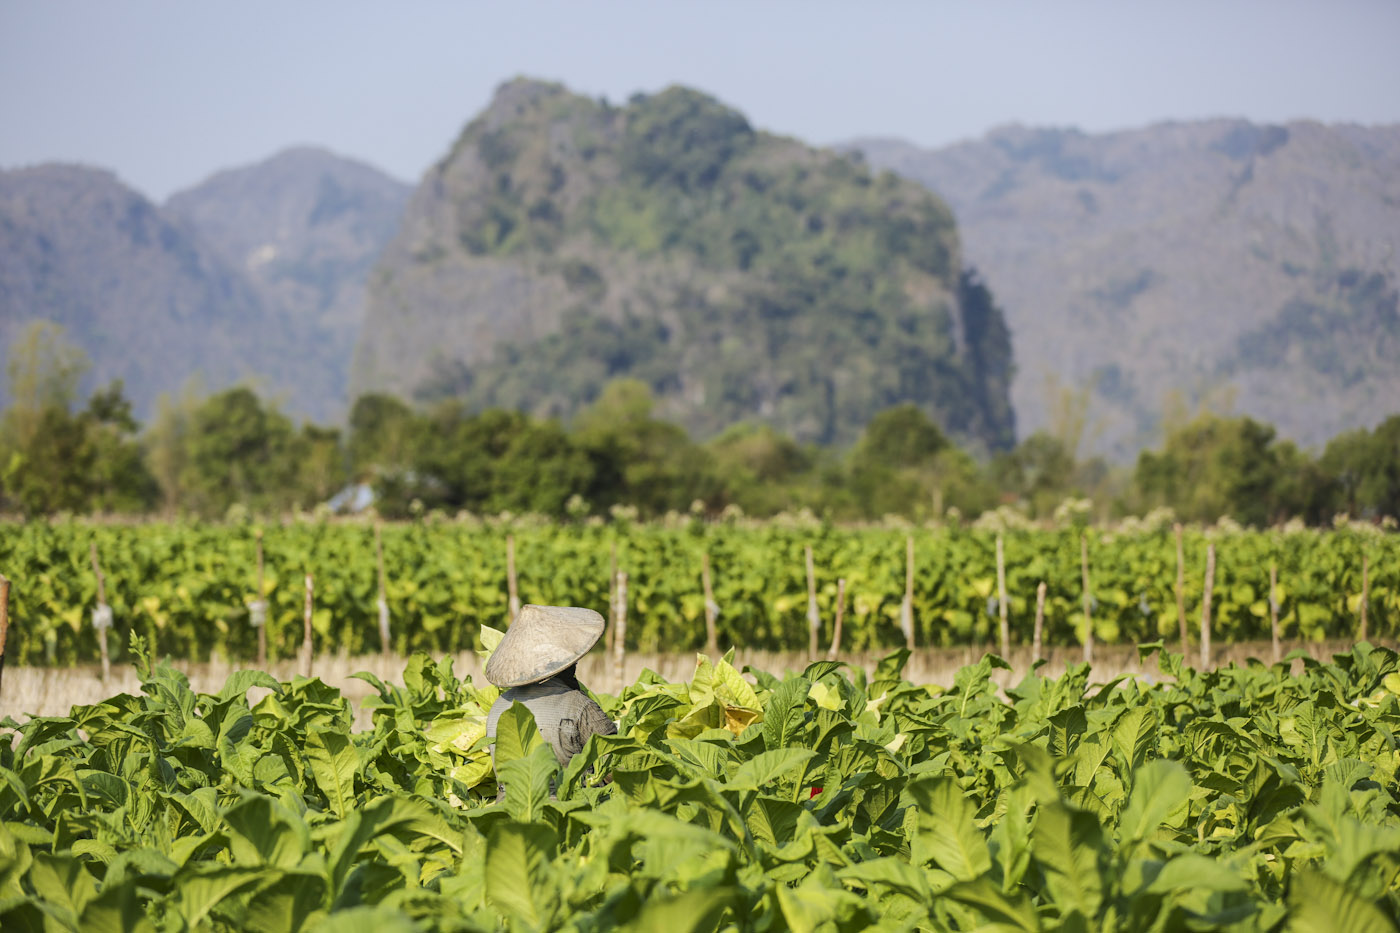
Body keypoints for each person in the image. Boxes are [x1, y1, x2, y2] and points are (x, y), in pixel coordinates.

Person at [484, 604, 617, 794]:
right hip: (565, 812)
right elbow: (614, 766)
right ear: (565, 665)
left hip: (510, 812)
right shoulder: (578, 705)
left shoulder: (498, 706)